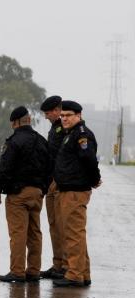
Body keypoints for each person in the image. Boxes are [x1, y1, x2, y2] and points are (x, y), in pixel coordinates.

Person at [0, 106, 51, 283]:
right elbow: (50, 167)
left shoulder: (14, 141)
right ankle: (33, 271)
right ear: (29, 120)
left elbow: (5, 168)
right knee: (35, 233)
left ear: (16, 122)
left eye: (12, 123)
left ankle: (17, 271)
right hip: (37, 193)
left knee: (18, 233)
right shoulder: (41, 141)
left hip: (18, 194)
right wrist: (43, 189)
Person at [53, 101, 101, 287]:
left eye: (68, 115)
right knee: (76, 235)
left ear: (78, 115)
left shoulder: (81, 135)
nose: (64, 118)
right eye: (62, 115)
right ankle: (83, 273)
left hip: (75, 190)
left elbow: (89, 159)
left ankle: (74, 274)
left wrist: (94, 179)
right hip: (68, 189)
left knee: (73, 235)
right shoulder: (71, 134)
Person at [39, 96, 67, 280]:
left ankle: (66, 265)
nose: (47, 116)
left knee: (63, 226)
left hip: (60, 181)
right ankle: (58, 264)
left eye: (48, 113)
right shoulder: (54, 128)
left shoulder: (64, 127)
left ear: (57, 110)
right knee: (54, 225)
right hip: (51, 181)